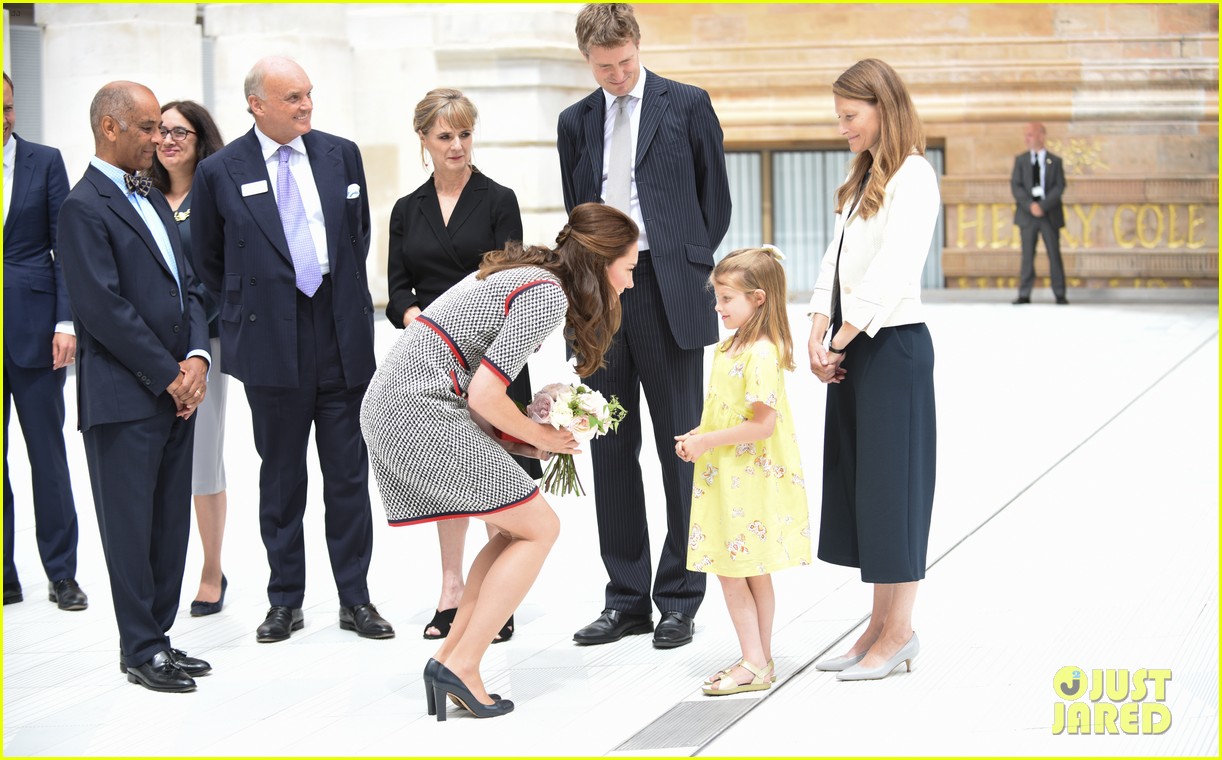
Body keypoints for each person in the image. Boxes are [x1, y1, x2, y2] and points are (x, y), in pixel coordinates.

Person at [361, 202, 639, 719]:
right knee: (540, 528)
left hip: (404, 403)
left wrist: (523, 442)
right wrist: (543, 436)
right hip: (417, 410)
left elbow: (464, 375)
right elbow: (485, 393)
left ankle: (450, 658)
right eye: (627, 269)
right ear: (601, 263)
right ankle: (463, 662)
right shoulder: (545, 294)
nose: (628, 284)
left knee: (517, 528)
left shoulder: (531, 277)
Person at [190, 56, 394, 642]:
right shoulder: (221, 170)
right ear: (257, 104)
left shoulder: (340, 154)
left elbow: (358, 233)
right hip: (269, 337)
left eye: (308, 94)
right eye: (292, 99)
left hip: (338, 331)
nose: (306, 106)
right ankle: (285, 600)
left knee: (348, 476)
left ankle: (355, 599)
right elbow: (209, 256)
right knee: (281, 478)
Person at [558, 2, 731, 650]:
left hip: (667, 288)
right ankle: (625, 599)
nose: (618, 76)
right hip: (601, 295)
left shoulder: (686, 105)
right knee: (608, 445)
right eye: (604, 68)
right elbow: (578, 211)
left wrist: (686, 265)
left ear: (638, 45)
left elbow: (715, 199)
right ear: (588, 60)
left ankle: (680, 599)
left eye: (625, 63)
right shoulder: (573, 122)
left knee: (679, 447)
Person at [57, 81, 213, 692]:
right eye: (148, 128)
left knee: (168, 524)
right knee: (129, 527)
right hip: (125, 398)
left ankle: (161, 639)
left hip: (177, 391)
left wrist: (197, 357)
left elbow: (190, 285)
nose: (160, 139)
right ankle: (138, 648)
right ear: (110, 129)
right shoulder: (83, 205)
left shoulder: (151, 194)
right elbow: (103, 308)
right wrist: (170, 375)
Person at [386, 88, 537, 643]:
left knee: (496, 477)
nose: (457, 145)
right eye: (445, 136)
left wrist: (478, 341)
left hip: (493, 360)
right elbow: (396, 287)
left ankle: (498, 592)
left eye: (465, 134)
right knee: (452, 478)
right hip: (431, 365)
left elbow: (512, 275)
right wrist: (414, 319)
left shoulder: (499, 198)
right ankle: (452, 591)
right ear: (424, 139)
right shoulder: (407, 209)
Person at [806, 59, 939, 681]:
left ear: (882, 108)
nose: (842, 128)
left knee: (896, 493)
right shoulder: (865, 177)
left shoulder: (914, 175)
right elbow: (834, 260)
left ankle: (901, 632)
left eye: (850, 117)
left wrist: (841, 337)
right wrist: (815, 325)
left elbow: (893, 270)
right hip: (854, 347)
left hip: (892, 348)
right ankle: (877, 625)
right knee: (867, 492)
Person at [675, 247, 811, 696]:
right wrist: (701, 433)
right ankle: (758, 657)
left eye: (726, 298)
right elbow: (728, 413)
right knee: (743, 569)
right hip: (726, 473)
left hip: (747, 478)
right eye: (717, 297)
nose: (717, 307)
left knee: (738, 569)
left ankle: (755, 660)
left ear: (758, 298)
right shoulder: (729, 347)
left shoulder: (762, 353)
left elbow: (762, 424)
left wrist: (705, 442)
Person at [2, 72, 88, 611]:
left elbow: (64, 247)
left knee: (47, 455)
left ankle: (62, 573)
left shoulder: (44, 159)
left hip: (36, 329)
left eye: (9, 106)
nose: (6, 117)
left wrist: (65, 323)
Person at [149, 100, 230, 617]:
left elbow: (220, 274)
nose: (169, 140)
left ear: (201, 139)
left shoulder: (214, 194)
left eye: (181, 131)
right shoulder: (144, 195)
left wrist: (196, 346)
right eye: (160, 131)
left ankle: (211, 568)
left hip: (208, 343)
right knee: (160, 455)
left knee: (204, 454)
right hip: (153, 345)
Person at [1011, 122, 1068, 305]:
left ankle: (1059, 293)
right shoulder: (1021, 160)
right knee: (1027, 255)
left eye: (1030, 135)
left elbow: (1060, 186)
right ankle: (1024, 293)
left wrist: (1043, 205)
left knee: (1054, 254)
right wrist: (1030, 205)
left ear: (1041, 136)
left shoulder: (1055, 161)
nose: (1027, 139)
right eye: (1026, 135)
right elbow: (1016, 186)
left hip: (1049, 215)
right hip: (1028, 216)